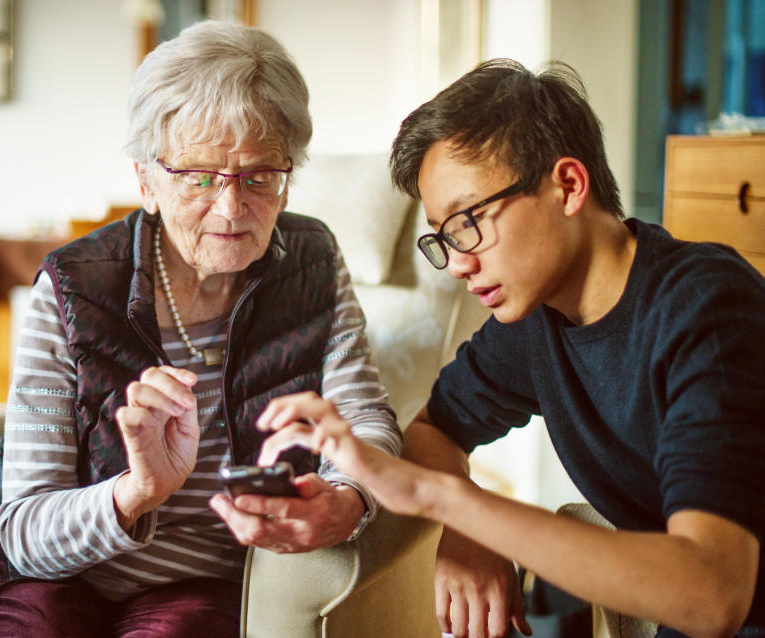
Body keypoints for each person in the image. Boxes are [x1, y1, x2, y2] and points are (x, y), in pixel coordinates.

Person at [0, 20, 402, 638]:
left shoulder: (312, 259)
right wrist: (137, 491)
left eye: (259, 177)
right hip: (39, 572)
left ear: (288, 176)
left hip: (198, 578)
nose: (231, 207)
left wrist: (351, 498)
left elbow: (367, 419)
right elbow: (26, 532)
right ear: (146, 180)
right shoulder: (70, 287)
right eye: (198, 175)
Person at [254, 58, 765, 638]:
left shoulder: (706, 310)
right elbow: (435, 429)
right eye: (442, 239)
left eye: (468, 222)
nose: (458, 264)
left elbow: (715, 596)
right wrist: (468, 533)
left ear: (568, 186)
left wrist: (442, 500)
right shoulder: (535, 319)